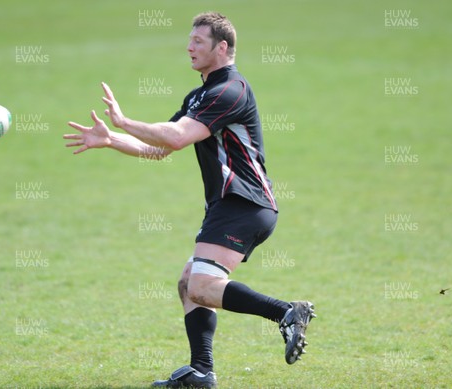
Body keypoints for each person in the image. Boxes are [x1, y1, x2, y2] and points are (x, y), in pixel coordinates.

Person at [64, 11, 315, 389]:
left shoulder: (230, 90)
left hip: (244, 202)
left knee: (201, 286)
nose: (189, 47)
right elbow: (162, 148)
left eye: (198, 41)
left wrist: (125, 122)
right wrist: (112, 140)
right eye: (190, 40)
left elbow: (177, 137)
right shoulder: (200, 95)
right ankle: (201, 372)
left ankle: (287, 313)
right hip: (229, 205)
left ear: (222, 47)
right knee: (188, 284)